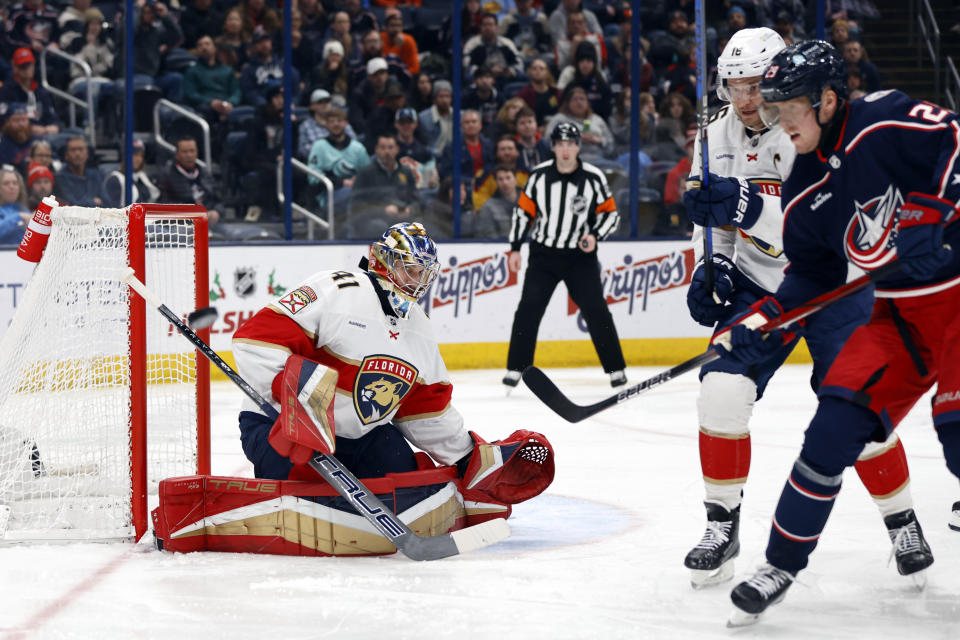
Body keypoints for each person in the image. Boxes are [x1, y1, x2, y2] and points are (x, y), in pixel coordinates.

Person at [693, 40, 958, 624]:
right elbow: (809, 269)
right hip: (876, 310)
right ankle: (766, 556)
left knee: (951, 426)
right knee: (823, 427)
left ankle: (903, 521)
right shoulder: (793, 174)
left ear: (826, 100)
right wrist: (755, 311)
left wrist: (939, 208)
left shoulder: (882, 118)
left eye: (785, 108)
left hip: (930, 297)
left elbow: (954, 141)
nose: (772, 119)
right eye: (768, 106)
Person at [229, 222, 554, 547]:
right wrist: (301, 404)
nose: (419, 281)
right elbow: (255, 342)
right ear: (384, 261)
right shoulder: (335, 289)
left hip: (358, 436)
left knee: (405, 483)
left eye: (425, 273)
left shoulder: (419, 328)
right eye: (411, 269)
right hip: (280, 426)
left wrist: (468, 457)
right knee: (301, 485)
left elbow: (426, 410)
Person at [503, 122, 626, 389]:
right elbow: (523, 214)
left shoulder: (593, 177)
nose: (566, 149)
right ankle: (516, 367)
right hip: (544, 255)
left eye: (571, 144)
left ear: (579, 147)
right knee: (529, 308)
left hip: (579, 257)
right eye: (561, 144)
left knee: (595, 309)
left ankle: (615, 369)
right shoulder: (538, 176)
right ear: (554, 147)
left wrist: (595, 235)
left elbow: (611, 214)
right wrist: (514, 248)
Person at [349, 134, 419, 239]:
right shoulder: (366, 173)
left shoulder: (406, 172)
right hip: (373, 220)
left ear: (397, 149)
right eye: (383, 148)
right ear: (376, 149)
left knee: (421, 226)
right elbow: (356, 205)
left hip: (401, 220)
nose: (387, 152)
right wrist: (383, 211)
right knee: (380, 227)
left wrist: (410, 210)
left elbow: (417, 200)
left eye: (390, 148)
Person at [0, 48, 60, 136]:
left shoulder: (41, 91)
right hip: (19, 135)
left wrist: (54, 127)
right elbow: (4, 118)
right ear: (15, 67)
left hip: (45, 132)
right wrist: (30, 128)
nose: (27, 69)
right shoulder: (6, 91)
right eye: (23, 66)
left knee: (75, 133)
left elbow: (52, 118)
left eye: (29, 65)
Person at [544, 86, 614, 159]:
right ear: (567, 103)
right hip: (571, 161)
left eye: (582, 99)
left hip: (600, 159)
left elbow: (611, 145)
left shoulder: (597, 119)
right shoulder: (559, 119)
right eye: (575, 99)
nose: (579, 102)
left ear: (588, 103)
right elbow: (548, 141)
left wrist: (599, 140)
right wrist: (575, 139)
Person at [183, 34, 240, 125]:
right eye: (200, 45)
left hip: (227, 104)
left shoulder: (227, 70)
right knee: (205, 110)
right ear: (197, 50)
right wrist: (211, 102)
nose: (204, 47)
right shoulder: (192, 71)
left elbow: (236, 91)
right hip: (206, 106)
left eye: (207, 44)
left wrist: (230, 103)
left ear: (214, 48)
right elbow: (190, 94)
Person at [104, 138, 162, 206]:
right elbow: (112, 209)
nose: (138, 159)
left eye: (141, 156)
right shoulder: (115, 179)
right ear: (126, 156)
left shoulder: (143, 178)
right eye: (135, 155)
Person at [54, 136, 103, 207]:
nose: (77, 153)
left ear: (87, 154)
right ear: (66, 155)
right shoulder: (59, 178)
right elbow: (71, 205)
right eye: (73, 150)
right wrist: (93, 202)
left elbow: (108, 204)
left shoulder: (95, 175)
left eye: (81, 149)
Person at [418, 80, 453, 155]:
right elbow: (421, 144)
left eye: (447, 96)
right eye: (441, 96)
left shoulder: (459, 116)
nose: (444, 100)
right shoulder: (423, 118)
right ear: (434, 99)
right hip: (432, 158)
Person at [0, 165, 29, 245]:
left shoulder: (23, 209)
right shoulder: (22, 214)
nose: (12, 186)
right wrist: (19, 216)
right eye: (6, 183)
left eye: (15, 183)